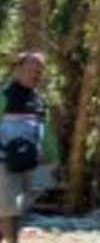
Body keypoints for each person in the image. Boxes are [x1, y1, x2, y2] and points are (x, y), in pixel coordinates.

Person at [0, 52, 51, 243]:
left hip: (29, 163)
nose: (34, 75)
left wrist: (51, 155)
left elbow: (45, 129)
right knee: (10, 209)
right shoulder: (4, 96)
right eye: (29, 70)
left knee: (16, 208)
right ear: (17, 70)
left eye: (38, 71)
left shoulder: (39, 100)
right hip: (4, 162)